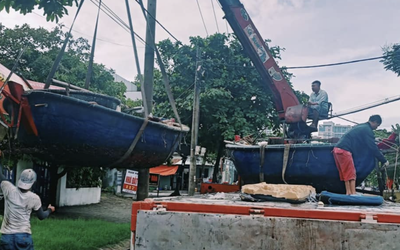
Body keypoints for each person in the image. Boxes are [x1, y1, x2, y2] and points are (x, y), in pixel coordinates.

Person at [332, 115, 389, 195]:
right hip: (344, 150)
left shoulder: (361, 126)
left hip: (337, 150)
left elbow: (361, 138)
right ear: (375, 122)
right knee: (351, 173)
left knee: (346, 174)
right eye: (377, 125)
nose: (376, 127)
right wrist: (384, 160)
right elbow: (373, 148)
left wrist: (374, 139)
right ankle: (352, 194)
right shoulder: (367, 130)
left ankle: (349, 192)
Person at [0, 168, 55, 250]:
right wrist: (50, 210)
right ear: (33, 182)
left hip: (7, 237)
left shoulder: (8, 189)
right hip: (24, 237)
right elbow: (41, 216)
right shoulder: (34, 198)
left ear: (20, 179)